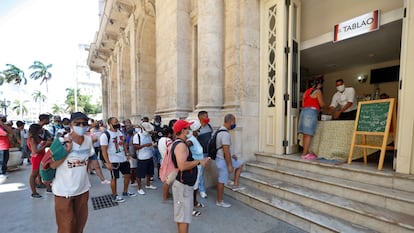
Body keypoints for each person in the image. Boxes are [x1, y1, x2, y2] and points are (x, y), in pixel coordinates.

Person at [50, 112, 93, 233]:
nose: (81, 126)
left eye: (84, 123)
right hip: (64, 192)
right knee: (66, 227)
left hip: (83, 189)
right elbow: (52, 165)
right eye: (77, 123)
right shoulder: (61, 141)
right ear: (70, 125)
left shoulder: (88, 141)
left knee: (79, 226)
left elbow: (87, 161)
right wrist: (67, 151)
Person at [171, 119, 210, 233]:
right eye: (187, 128)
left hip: (183, 185)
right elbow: (182, 166)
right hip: (183, 186)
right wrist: (199, 161)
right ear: (183, 130)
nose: (190, 130)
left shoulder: (180, 144)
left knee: (182, 216)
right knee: (184, 218)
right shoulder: (181, 145)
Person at [100, 117, 136, 203]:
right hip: (113, 160)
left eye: (118, 121)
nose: (118, 123)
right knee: (114, 178)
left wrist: (127, 154)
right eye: (115, 122)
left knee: (127, 175)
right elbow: (104, 151)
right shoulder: (105, 135)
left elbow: (123, 144)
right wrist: (107, 162)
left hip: (123, 158)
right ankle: (114, 195)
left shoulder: (120, 132)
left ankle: (125, 191)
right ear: (110, 124)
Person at [216, 114, 244, 208]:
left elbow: (225, 149)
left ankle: (235, 183)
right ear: (230, 121)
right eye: (234, 122)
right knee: (221, 181)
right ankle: (219, 201)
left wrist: (232, 156)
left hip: (220, 159)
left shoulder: (220, 131)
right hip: (223, 160)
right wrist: (230, 165)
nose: (234, 124)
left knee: (239, 164)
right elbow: (226, 150)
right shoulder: (225, 134)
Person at [298, 79, 326, 160]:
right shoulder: (318, 91)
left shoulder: (306, 92)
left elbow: (303, 104)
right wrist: (328, 107)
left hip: (304, 112)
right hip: (311, 112)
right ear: (319, 84)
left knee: (305, 133)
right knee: (309, 133)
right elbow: (321, 104)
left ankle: (305, 152)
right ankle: (305, 154)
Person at [186, 120, 206, 216]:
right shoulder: (190, 140)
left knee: (195, 187)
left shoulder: (194, 138)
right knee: (192, 188)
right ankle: (190, 208)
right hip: (193, 167)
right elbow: (184, 148)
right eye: (198, 129)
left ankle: (194, 202)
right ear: (194, 130)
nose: (199, 131)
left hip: (198, 167)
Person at [27, 124, 52, 198]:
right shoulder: (32, 139)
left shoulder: (38, 137)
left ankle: (47, 187)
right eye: (40, 129)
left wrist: (48, 143)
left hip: (41, 156)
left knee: (42, 172)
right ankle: (34, 192)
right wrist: (45, 145)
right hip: (36, 158)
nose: (42, 130)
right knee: (34, 174)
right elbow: (35, 150)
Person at [133, 122, 157, 195]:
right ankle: (139, 188)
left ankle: (148, 184)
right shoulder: (137, 136)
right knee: (140, 174)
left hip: (149, 156)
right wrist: (145, 145)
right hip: (142, 157)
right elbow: (135, 147)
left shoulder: (149, 135)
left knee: (149, 172)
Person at [196, 111, 213, 198]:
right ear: (200, 118)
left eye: (207, 116)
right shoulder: (196, 128)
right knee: (200, 172)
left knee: (201, 171)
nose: (207, 118)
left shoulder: (209, 127)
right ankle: (202, 190)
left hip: (207, 153)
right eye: (205, 116)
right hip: (199, 154)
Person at [158, 125, 173, 201]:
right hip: (168, 162)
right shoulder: (168, 141)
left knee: (167, 180)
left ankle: (166, 194)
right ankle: (165, 196)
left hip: (163, 160)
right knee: (168, 181)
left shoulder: (161, 140)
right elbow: (171, 151)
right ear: (169, 134)